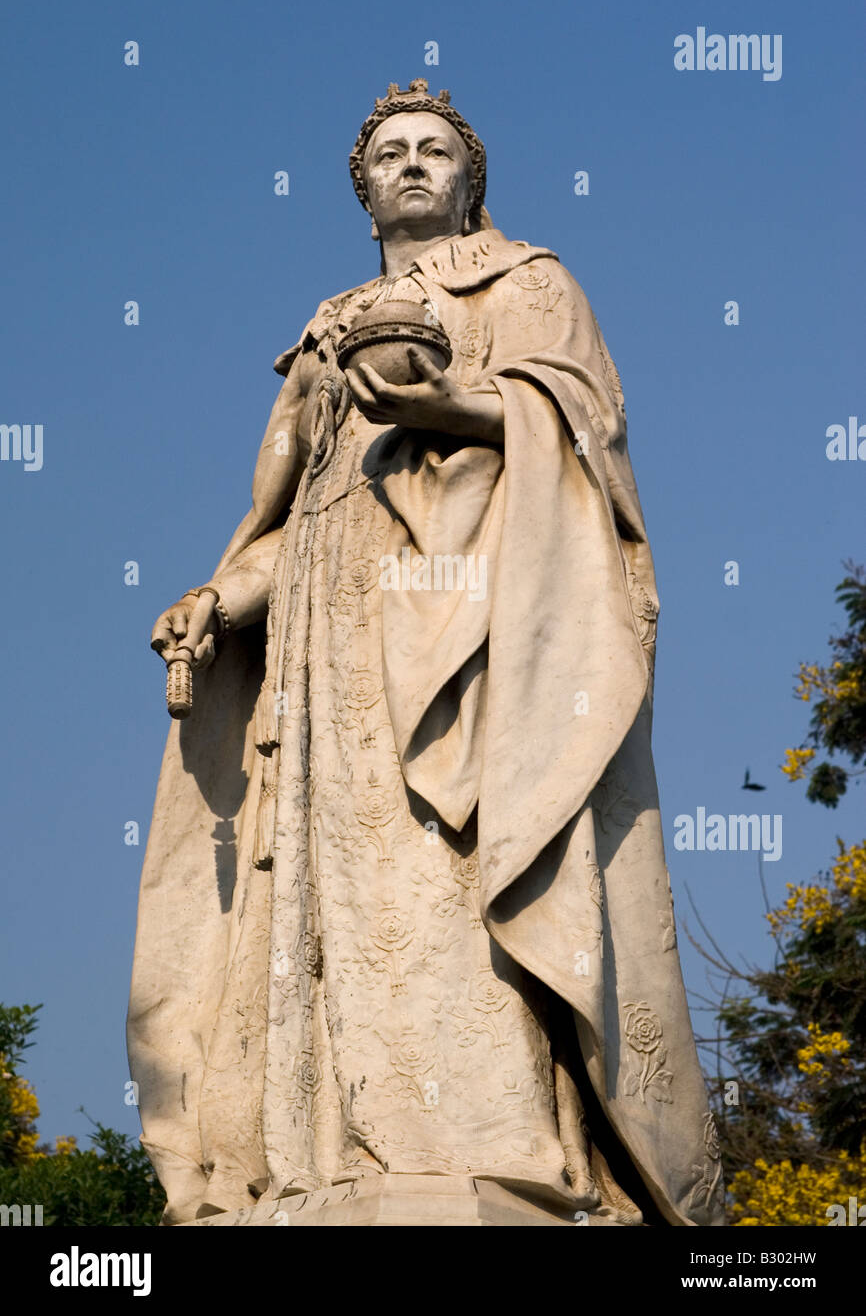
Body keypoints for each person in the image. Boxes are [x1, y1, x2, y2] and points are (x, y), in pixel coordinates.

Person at [129, 79, 724, 1226]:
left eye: (434, 151)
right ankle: (332, 1156)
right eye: (390, 153)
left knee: (451, 874)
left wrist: (451, 400)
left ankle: (489, 1149)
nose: (411, 164)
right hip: (325, 654)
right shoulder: (324, 330)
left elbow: (583, 435)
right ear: (362, 193)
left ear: (468, 179)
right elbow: (283, 520)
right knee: (331, 895)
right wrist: (217, 598)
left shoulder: (529, 283)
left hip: (467, 641)